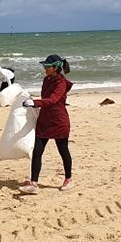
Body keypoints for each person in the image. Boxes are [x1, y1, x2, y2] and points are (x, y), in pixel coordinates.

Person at [19, 55, 73, 194]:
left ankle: (68, 179)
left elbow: (53, 100)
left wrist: (35, 103)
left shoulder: (61, 83)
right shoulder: (46, 80)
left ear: (56, 68)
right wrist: (30, 99)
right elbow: (45, 99)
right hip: (44, 120)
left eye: (48, 67)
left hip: (59, 121)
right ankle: (34, 184)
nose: (45, 69)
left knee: (63, 151)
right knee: (37, 151)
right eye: (45, 66)